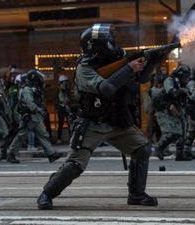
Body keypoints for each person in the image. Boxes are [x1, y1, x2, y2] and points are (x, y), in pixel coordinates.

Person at [36, 23, 163, 210]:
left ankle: (136, 194)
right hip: (92, 123)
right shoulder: (84, 68)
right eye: (108, 41)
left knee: (142, 149)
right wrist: (129, 68)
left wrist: (154, 61)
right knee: (75, 165)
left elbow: (141, 78)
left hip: (116, 121)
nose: (112, 44)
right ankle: (47, 193)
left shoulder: (118, 58)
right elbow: (107, 88)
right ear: (98, 47)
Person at [6, 69, 63, 164]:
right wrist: (39, 110)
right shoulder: (27, 89)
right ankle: (11, 154)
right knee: (21, 136)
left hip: (35, 117)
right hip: (28, 117)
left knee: (43, 134)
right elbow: (30, 103)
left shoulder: (33, 89)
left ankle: (51, 154)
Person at [153, 65, 190, 161]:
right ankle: (159, 148)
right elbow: (171, 92)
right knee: (174, 132)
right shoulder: (169, 80)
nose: (186, 79)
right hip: (166, 109)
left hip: (177, 109)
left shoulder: (181, 83)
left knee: (183, 133)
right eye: (185, 76)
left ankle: (180, 155)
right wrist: (182, 90)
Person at [54, 74, 70, 144]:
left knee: (70, 123)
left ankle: (72, 138)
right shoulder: (57, 91)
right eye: (64, 82)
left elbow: (70, 99)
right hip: (61, 109)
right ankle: (59, 138)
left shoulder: (66, 90)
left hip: (67, 108)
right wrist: (59, 106)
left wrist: (68, 101)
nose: (65, 83)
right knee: (60, 123)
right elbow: (55, 100)